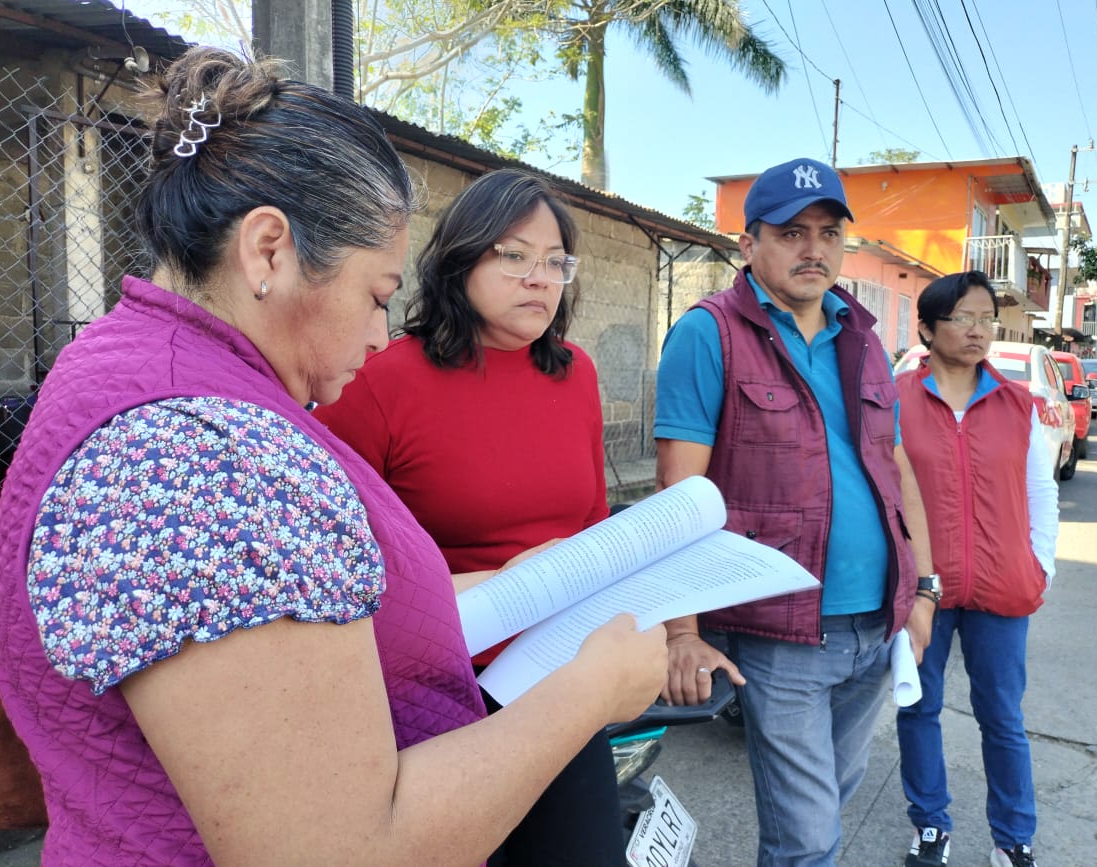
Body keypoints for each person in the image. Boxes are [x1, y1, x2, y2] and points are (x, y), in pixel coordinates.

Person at [0, 47, 667, 866]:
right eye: (376, 297)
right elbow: (341, 848)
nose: (381, 334)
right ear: (268, 250)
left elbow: (303, 611)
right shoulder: (200, 457)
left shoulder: (151, 372)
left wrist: (499, 582)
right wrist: (592, 689)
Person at [314, 168, 623, 867]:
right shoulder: (382, 378)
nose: (539, 278)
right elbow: (335, 553)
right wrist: (494, 580)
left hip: (561, 672)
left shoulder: (576, 372)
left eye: (554, 262)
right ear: (462, 259)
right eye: (513, 256)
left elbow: (595, 523)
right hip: (437, 688)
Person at [653, 156, 936, 867]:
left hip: (875, 625)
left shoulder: (864, 337)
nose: (815, 248)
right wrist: (680, 631)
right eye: (791, 232)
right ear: (749, 246)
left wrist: (925, 589)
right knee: (808, 838)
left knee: (826, 805)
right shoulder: (708, 333)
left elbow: (894, 468)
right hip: (782, 634)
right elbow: (678, 498)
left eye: (829, 232)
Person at [894, 271, 1058, 867]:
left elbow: (1041, 490)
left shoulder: (1018, 404)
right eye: (963, 316)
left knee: (1003, 718)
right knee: (919, 709)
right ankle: (930, 824)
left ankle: (1013, 838)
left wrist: (1042, 566)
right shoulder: (894, 401)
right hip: (923, 592)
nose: (978, 329)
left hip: (1003, 587)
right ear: (928, 329)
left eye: (986, 317)